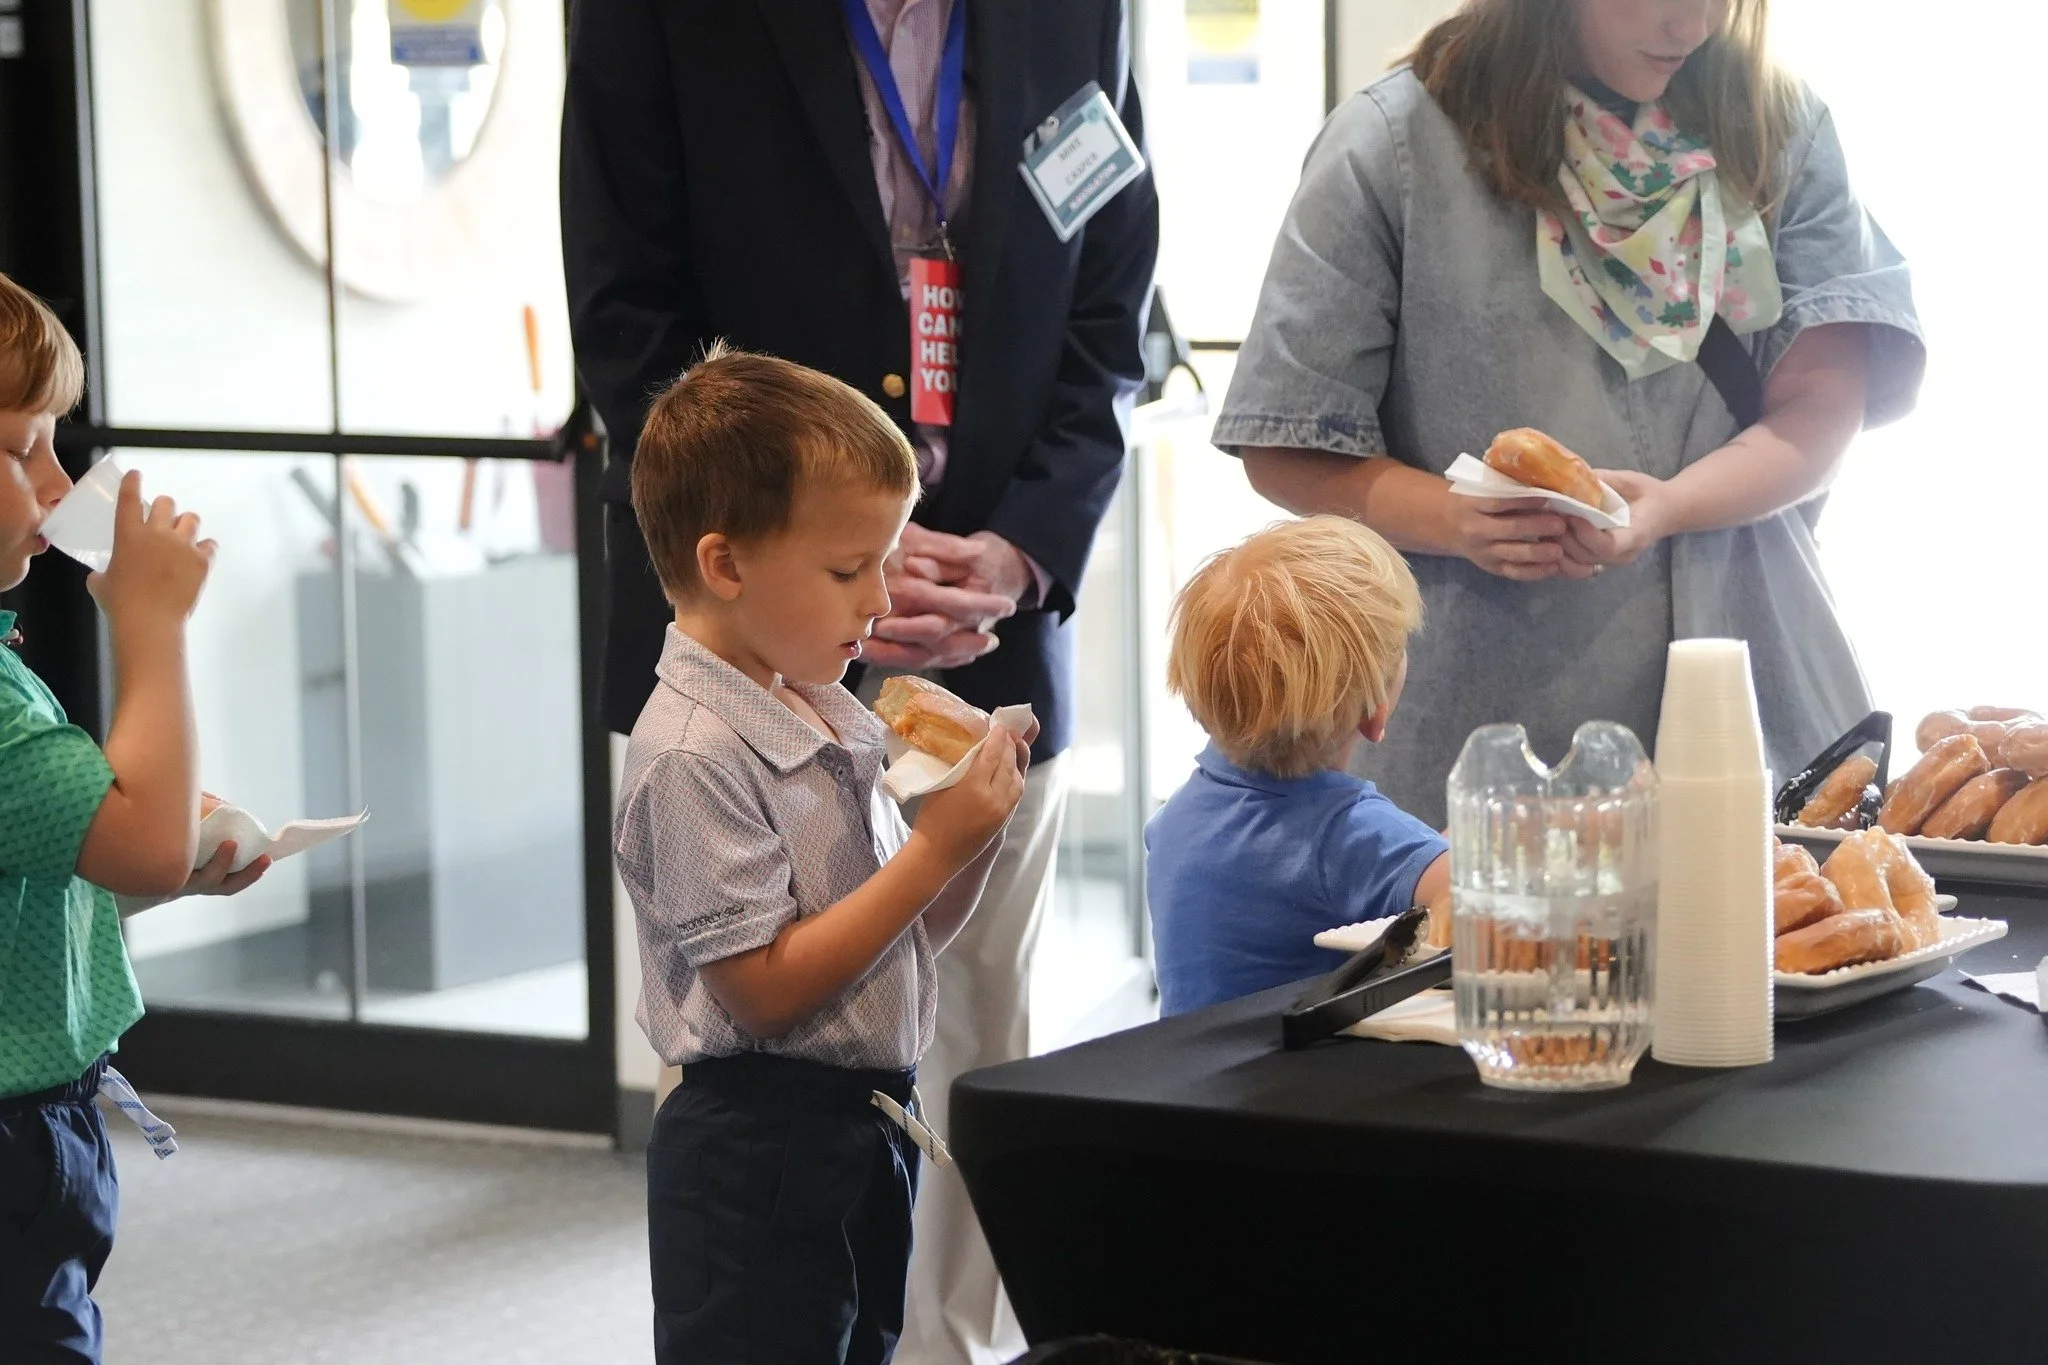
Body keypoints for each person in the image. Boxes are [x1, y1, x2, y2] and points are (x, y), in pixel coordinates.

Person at [563, 4, 1157, 1357]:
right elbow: (627, 311)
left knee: (966, 1047)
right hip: (747, 631)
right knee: (768, 1136)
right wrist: (800, 575)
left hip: (995, 624)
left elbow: (1115, 311)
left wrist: (1020, 551)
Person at [1213, 0, 1924, 826]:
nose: (1690, 28)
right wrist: (1457, 518)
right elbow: (1287, 440)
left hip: (1760, 708)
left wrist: (1670, 506)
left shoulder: (1778, 128)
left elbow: (1821, 409)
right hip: (1482, 748)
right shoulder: (1394, 144)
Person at [611, 348, 1036, 1364]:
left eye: (884, 563)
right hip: (753, 1144)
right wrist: (930, 854)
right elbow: (761, 989)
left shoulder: (828, 710)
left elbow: (901, 939)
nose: (879, 601)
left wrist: (966, 837)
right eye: (849, 570)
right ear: (726, 566)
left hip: (860, 1124)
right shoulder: (691, 754)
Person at [0, 272, 268, 1362]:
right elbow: (147, 844)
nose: (59, 484)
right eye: (24, 449)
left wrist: (155, 852)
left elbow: (79, 858)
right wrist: (152, 625)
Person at [1146, 517, 1449, 1016]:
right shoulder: (1351, 833)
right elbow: (1469, 896)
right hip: (1293, 1089)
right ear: (1374, 714)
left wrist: (1421, 853)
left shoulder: (1179, 815)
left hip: (1185, 1076)